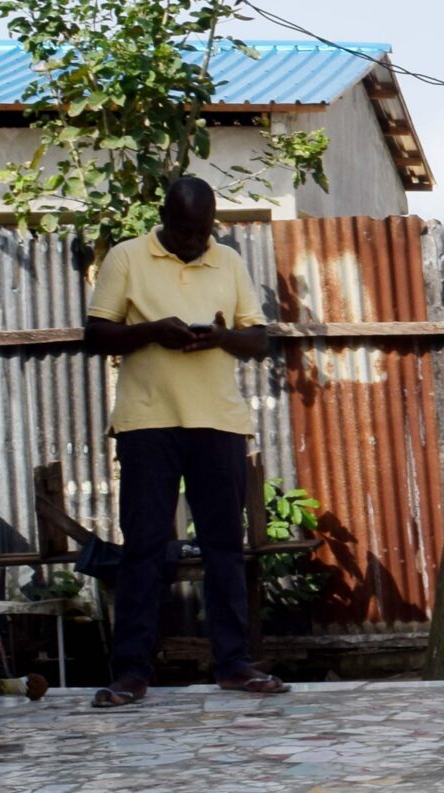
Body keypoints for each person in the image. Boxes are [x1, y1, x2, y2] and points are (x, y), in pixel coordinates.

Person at [81, 176, 285, 708]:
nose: (195, 241)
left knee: (225, 548)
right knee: (143, 548)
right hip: (147, 423)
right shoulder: (126, 258)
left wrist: (220, 337)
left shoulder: (229, 262)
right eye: (184, 231)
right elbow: (96, 334)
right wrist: (153, 331)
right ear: (164, 220)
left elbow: (258, 341)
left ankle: (234, 665)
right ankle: (130, 673)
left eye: (202, 231)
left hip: (218, 422)